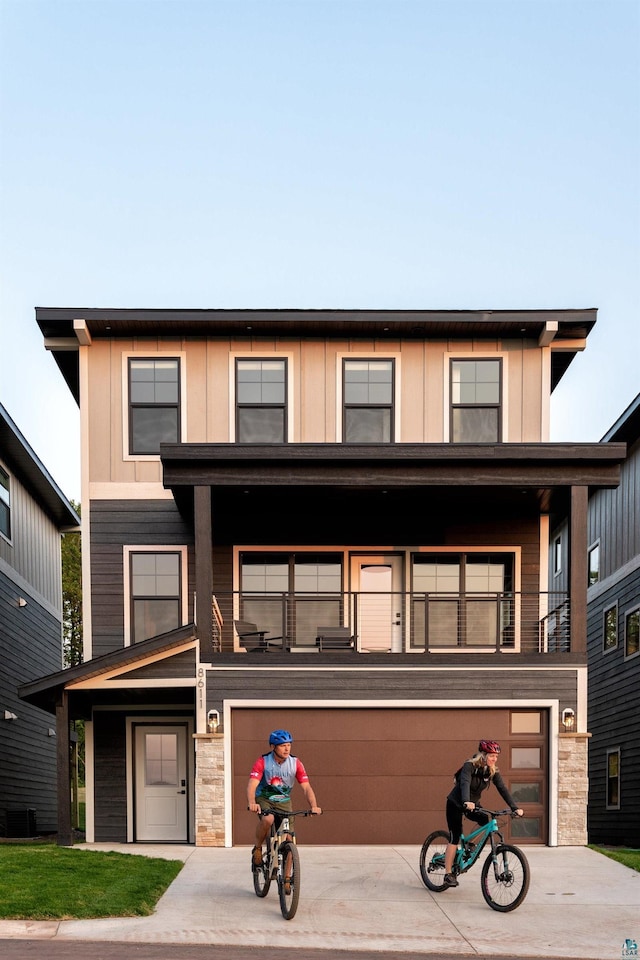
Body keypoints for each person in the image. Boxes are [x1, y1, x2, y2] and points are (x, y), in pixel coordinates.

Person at [442, 739, 523, 888]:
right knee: (455, 836)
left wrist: (514, 807)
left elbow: (503, 789)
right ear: (484, 755)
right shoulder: (469, 765)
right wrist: (466, 801)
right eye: (492, 756)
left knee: (486, 820)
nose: (494, 759)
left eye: (496, 756)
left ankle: (470, 844)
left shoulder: (492, 771)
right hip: (456, 803)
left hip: (473, 804)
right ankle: (448, 874)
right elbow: (465, 783)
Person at [247, 729, 322, 868]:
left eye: (289, 745)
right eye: (282, 745)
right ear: (273, 747)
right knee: (268, 819)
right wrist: (252, 802)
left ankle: (287, 880)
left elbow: (306, 787)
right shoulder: (263, 761)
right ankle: (257, 848)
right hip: (265, 798)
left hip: (284, 801)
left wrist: (314, 805)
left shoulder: (295, 763)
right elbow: (252, 784)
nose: (287, 748)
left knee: (289, 839)